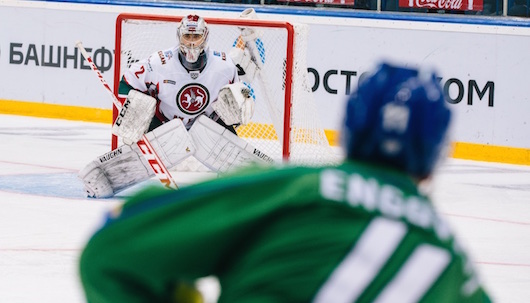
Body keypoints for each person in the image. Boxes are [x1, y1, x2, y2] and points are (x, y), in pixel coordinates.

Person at [79, 62, 492, 302]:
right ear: (438, 155)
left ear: (347, 131)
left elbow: (108, 253)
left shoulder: (288, 190)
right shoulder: (453, 262)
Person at [78, 13, 263, 198]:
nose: (191, 42)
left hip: (208, 126)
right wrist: (135, 114)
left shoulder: (224, 65)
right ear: (179, 36)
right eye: (187, 36)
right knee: (141, 112)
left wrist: (241, 104)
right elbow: (127, 83)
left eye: (196, 36)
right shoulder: (158, 62)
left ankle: (242, 180)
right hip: (164, 127)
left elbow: (235, 97)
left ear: (205, 37)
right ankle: (112, 172)